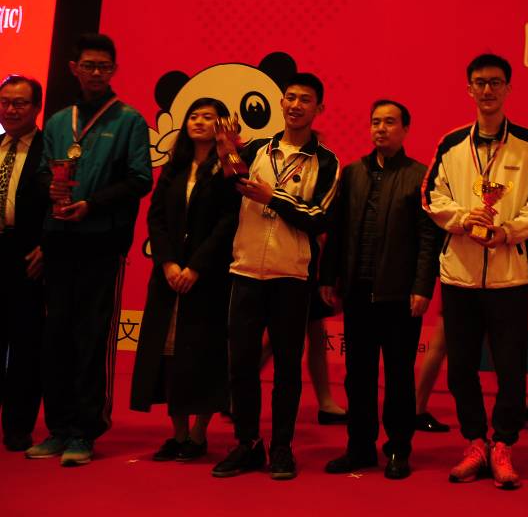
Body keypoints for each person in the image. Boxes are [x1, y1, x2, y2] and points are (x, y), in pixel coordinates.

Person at [422, 53, 528, 489]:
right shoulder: (451, 144)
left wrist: (507, 232)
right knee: (460, 368)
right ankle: (475, 441)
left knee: (511, 368)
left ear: (509, 88)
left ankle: (504, 444)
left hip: (509, 277)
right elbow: (431, 196)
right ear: (469, 89)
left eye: (496, 82)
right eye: (480, 82)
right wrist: (464, 220)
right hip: (459, 274)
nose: (488, 90)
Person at [27, 34, 152, 467]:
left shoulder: (130, 120)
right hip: (59, 239)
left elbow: (140, 179)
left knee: (91, 336)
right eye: (89, 65)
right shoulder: (60, 120)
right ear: (73, 68)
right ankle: (58, 428)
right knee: (56, 335)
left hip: (101, 241)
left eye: (104, 66)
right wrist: (52, 187)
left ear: (113, 70)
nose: (96, 73)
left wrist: (92, 204)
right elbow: (41, 173)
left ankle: (84, 431)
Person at [211, 72, 339, 480]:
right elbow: (228, 190)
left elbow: (320, 217)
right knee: (241, 364)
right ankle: (247, 443)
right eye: (290, 97)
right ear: (281, 103)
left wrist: (274, 197)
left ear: (319, 108)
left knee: (286, 367)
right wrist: (224, 150)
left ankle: (282, 447)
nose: (296, 105)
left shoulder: (327, 161)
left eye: (305, 99)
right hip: (246, 269)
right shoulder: (255, 150)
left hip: (291, 275)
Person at [320, 99, 440, 478]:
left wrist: (422, 287)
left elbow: (428, 239)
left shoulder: (419, 176)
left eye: (390, 122)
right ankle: (359, 447)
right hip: (357, 292)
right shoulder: (352, 173)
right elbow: (336, 231)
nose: (381, 128)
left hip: (400, 296)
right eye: (375, 122)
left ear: (405, 129)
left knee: (399, 376)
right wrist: (328, 278)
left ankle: (398, 449)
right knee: (358, 376)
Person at [129, 98, 239, 462]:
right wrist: (167, 264)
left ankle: (198, 434)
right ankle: (177, 434)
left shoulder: (228, 167)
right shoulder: (174, 167)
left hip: (208, 277)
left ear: (221, 125)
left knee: (204, 354)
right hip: (169, 276)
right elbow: (156, 218)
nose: (199, 122)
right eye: (194, 116)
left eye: (208, 117)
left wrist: (196, 267)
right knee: (169, 354)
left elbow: (229, 221)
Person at [0, 75, 48, 453]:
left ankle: (18, 426)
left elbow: (64, 202)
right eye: (5, 102)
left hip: (28, 254)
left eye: (20, 103)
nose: (11, 109)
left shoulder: (51, 150)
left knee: (26, 344)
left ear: (36, 108)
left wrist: (48, 247)